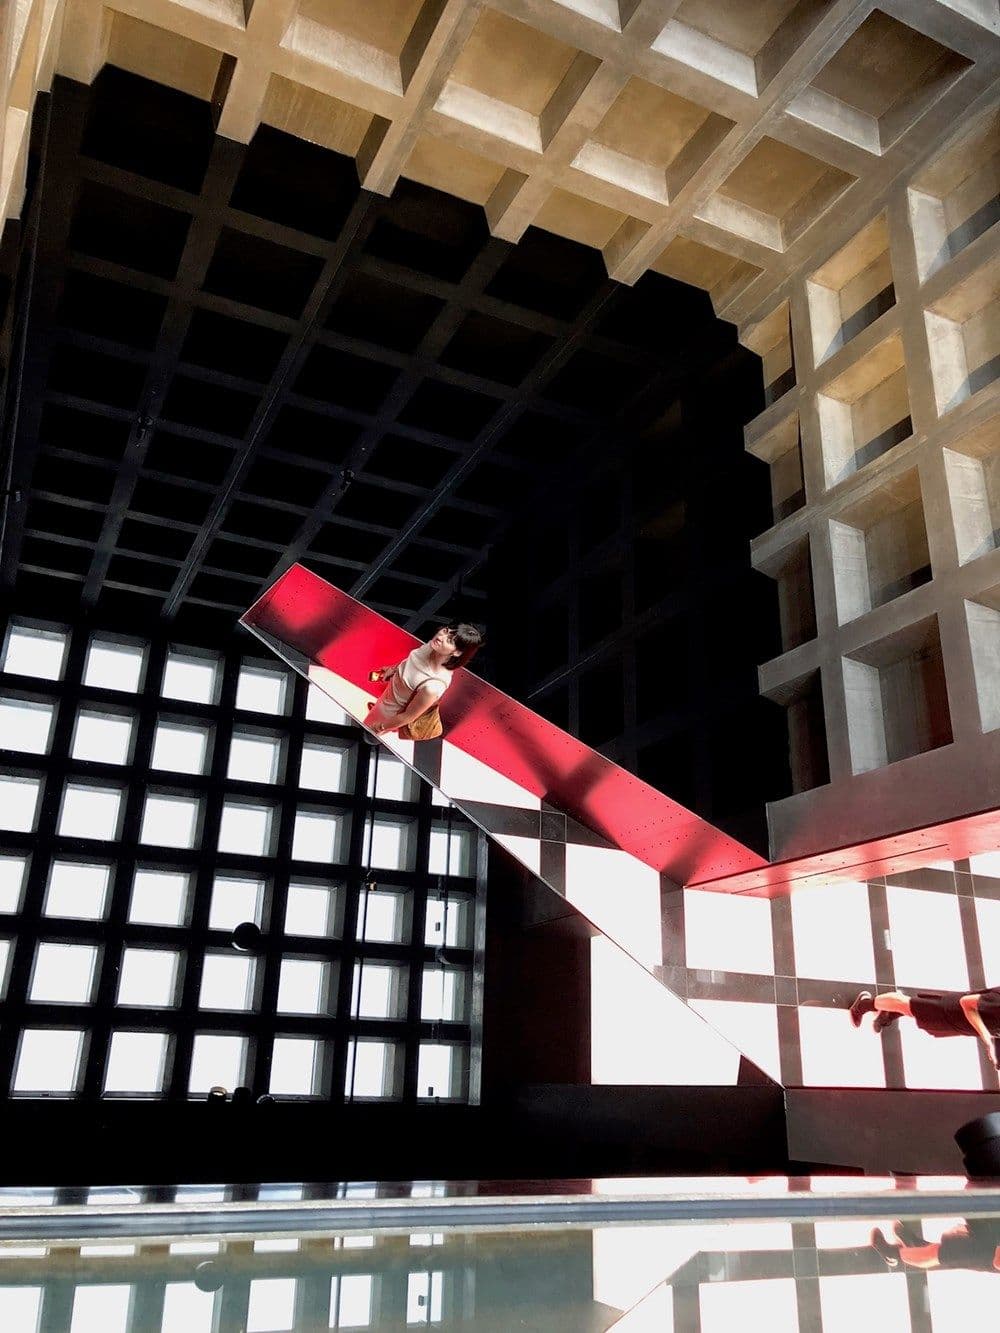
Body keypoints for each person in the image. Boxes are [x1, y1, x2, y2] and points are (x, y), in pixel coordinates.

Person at [364, 623, 483, 736]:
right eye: (446, 631)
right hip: (388, 695)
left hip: (390, 713)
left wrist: (380, 727)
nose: (441, 637)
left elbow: (408, 716)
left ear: (457, 652)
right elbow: (410, 661)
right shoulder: (431, 647)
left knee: (366, 731)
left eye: (450, 640)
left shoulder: (434, 685)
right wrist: (393, 669)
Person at [848, 986, 1000, 1067]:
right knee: (907, 1005)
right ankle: (864, 1004)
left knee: (916, 1013)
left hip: (961, 1022)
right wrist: (987, 1040)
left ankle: (889, 1012)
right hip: (951, 1010)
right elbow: (966, 1003)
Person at [870, 1217, 1000, 1272]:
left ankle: (893, 1254)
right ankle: (913, 1245)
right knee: (947, 1250)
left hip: (991, 1253)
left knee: (942, 1253)